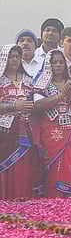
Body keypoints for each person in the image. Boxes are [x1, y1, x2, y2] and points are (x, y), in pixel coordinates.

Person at [33, 50, 71, 197]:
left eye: (61, 62)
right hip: (52, 134)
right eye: (54, 62)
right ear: (48, 65)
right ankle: (54, 202)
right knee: (54, 167)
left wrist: (70, 98)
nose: (58, 65)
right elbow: (38, 105)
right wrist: (60, 96)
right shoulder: (42, 83)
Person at [0, 44, 40, 199]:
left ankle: (24, 200)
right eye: (11, 56)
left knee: (25, 167)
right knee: (7, 167)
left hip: (27, 129)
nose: (14, 60)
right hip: (5, 133)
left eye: (17, 56)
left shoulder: (29, 80)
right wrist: (13, 106)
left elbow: (36, 102)